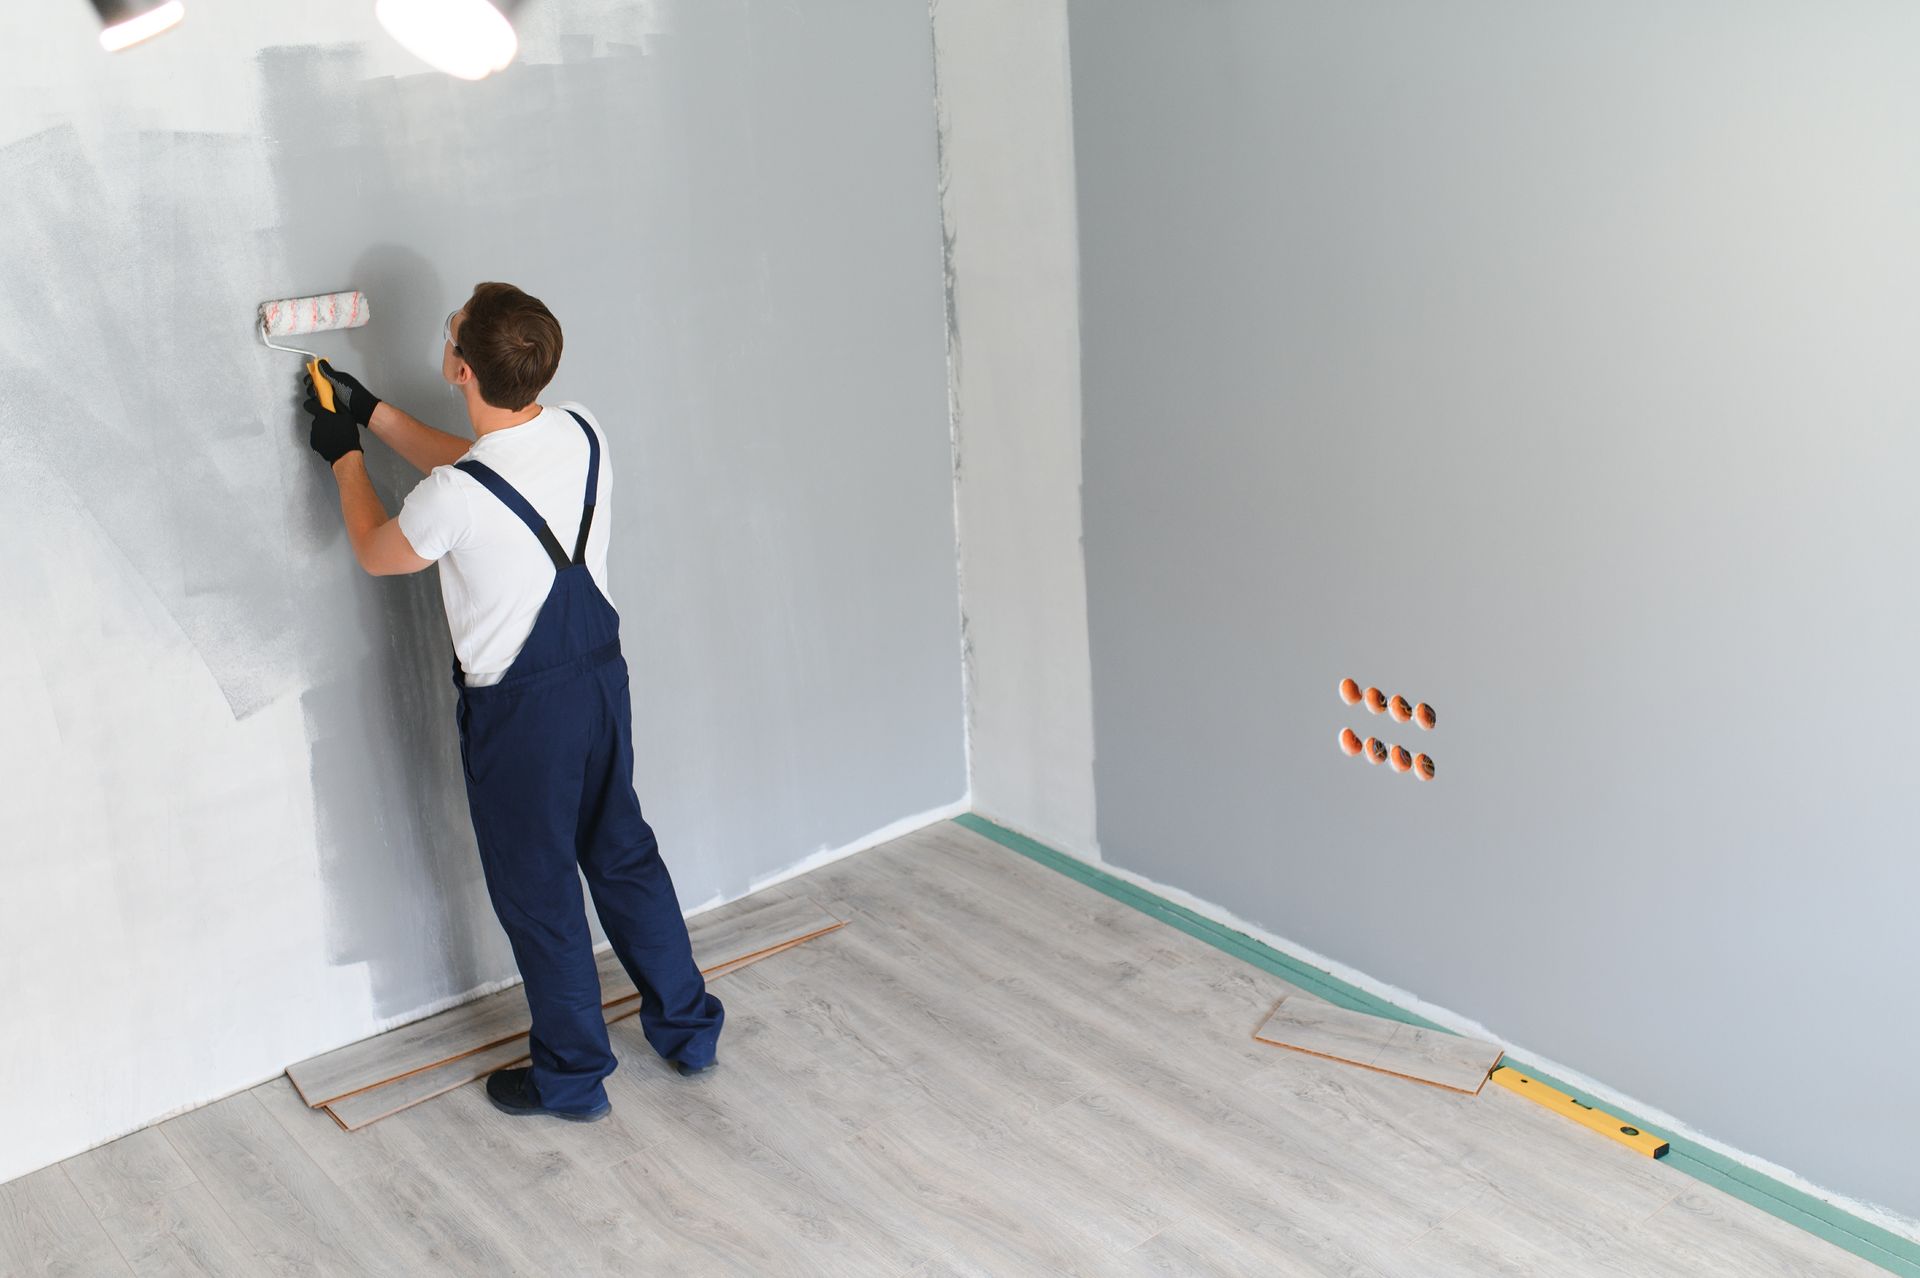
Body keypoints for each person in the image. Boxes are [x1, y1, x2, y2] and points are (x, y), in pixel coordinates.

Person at [300, 281, 724, 1122]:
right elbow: (483, 461)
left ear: (458, 365)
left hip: (523, 718)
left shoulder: (451, 499)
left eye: (451, 328)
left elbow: (382, 553)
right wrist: (374, 411)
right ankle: (688, 1028)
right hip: (601, 683)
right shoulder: (579, 428)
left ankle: (571, 1079)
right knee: (623, 854)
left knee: (541, 895)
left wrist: (344, 454)